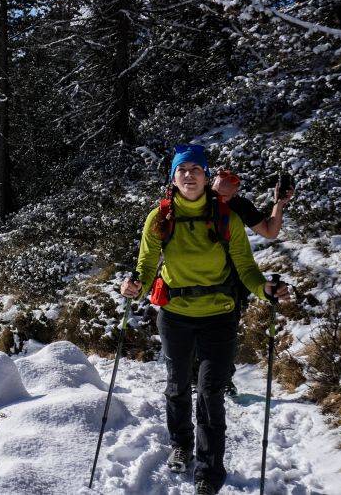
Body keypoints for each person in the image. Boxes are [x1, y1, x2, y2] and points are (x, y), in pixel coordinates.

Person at [120, 144, 291, 495]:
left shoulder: (226, 215)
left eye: (195, 169)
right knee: (177, 384)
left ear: (205, 175)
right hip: (175, 315)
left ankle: (209, 473)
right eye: (182, 170)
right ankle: (181, 443)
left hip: (219, 316)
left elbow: (245, 267)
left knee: (211, 393)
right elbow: (147, 264)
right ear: (173, 177)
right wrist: (133, 286)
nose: (189, 175)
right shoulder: (160, 217)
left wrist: (265, 290)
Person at [209, 168, 295, 397]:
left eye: (227, 196)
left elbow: (269, 231)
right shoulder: (198, 198)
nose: (221, 199)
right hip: (199, 273)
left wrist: (279, 203)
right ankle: (197, 375)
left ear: (235, 193)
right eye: (217, 193)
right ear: (211, 184)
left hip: (233, 277)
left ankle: (224, 378)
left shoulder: (240, 205)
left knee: (226, 331)